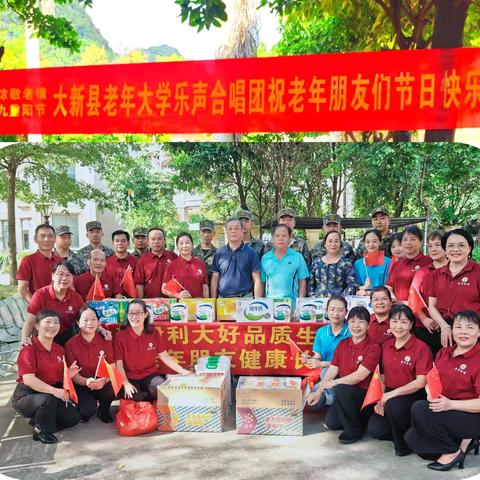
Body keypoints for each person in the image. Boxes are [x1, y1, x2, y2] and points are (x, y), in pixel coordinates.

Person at [405, 310, 480, 471]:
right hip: (446, 411)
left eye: (470, 328)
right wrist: (430, 393)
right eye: (458, 327)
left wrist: (450, 404)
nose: (463, 332)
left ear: (479, 332)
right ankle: (465, 441)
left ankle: (454, 452)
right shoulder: (444, 352)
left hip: (471, 415)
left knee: (419, 408)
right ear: (452, 330)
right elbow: (431, 379)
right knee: (411, 440)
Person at [307, 306, 381, 444]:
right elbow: (332, 370)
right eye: (352, 321)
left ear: (368, 325)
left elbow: (359, 376)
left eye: (361, 322)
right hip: (346, 394)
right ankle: (359, 419)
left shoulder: (373, 347)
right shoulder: (343, 344)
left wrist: (336, 383)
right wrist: (319, 392)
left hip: (364, 395)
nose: (356, 326)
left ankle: (355, 430)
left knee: (341, 388)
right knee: (332, 423)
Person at [367, 304, 433, 456]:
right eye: (395, 321)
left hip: (413, 394)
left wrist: (390, 395)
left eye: (403, 322)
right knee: (375, 429)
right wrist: (379, 399)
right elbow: (382, 376)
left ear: (411, 324)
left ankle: (402, 446)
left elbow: (421, 382)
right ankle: (407, 432)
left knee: (394, 406)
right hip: (390, 393)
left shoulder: (421, 348)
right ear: (389, 323)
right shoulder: (386, 346)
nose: (399, 326)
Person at [12, 309, 81, 444]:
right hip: (27, 395)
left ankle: (41, 419)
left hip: (49, 392)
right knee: (47, 400)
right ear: (37, 326)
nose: (52, 326)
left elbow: (56, 377)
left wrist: (68, 375)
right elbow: (29, 379)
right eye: (47, 322)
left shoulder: (59, 349)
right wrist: (56, 391)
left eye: (56, 322)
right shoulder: (28, 348)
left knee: (73, 418)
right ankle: (42, 430)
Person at [114, 299, 192, 401]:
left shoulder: (153, 333)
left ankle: (148, 398)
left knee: (160, 388)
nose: (134, 316)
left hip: (150, 374)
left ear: (146, 314)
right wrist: (126, 383)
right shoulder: (121, 336)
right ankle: (145, 398)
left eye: (138, 313)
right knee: (132, 396)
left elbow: (165, 357)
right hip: (130, 376)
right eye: (131, 313)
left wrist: (182, 371)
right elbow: (119, 366)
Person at [428, 228, 480, 348]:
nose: (455, 249)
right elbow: (432, 306)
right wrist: (444, 326)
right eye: (450, 246)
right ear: (445, 250)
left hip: (471, 333)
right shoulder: (436, 274)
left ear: (470, 248)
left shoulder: (477, 272)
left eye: (461, 245)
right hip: (443, 330)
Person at [65, 306, 116, 423]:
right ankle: (87, 406)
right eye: (85, 320)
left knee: (111, 387)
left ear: (98, 322)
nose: (90, 323)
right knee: (86, 411)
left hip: (102, 381)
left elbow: (113, 367)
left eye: (93, 319)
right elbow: (73, 375)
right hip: (82, 383)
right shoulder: (71, 344)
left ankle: (104, 410)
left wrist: (104, 380)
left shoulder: (105, 340)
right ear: (78, 323)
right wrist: (86, 382)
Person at [22, 261, 85, 346]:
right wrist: (24, 338)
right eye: (61, 274)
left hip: (66, 336)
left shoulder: (76, 297)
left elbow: (86, 317)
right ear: (53, 276)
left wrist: (100, 329)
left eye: (68, 275)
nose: (64, 278)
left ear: (73, 278)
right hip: (43, 335)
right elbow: (30, 320)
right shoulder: (40, 295)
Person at [303, 296, 350, 409]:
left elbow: (347, 362)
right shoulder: (321, 332)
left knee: (326, 370)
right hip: (327, 377)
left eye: (340, 310)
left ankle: (331, 399)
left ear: (346, 312)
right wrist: (312, 359)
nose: (336, 313)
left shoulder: (351, 331)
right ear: (326, 311)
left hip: (346, 374)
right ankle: (330, 398)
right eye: (332, 309)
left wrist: (322, 364)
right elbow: (318, 356)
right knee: (311, 402)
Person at [412, 230, 448, 355]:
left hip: (452, 327)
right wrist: (424, 319)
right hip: (425, 327)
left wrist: (443, 323)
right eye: (430, 245)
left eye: (438, 245)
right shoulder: (422, 272)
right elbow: (413, 298)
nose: (433, 249)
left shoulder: (455, 270)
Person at [210, 217, 262, 298]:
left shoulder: (251, 253)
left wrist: (258, 302)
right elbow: (214, 280)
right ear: (226, 231)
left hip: (245, 298)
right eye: (230, 228)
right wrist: (214, 302)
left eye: (236, 228)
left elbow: (257, 280)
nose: (233, 231)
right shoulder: (219, 253)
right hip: (223, 300)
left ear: (242, 231)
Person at [261, 224, 309, 304]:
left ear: (290, 238)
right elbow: (262, 283)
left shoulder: (297, 257)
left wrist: (299, 305)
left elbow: (302, 282)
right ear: (272, 238)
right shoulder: (265, 258)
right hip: (270, 306)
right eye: (277, 236)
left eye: (284, 235)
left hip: (291, 306)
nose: (280, 238)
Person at [386, 225, 432, 303]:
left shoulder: (428, 262)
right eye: (405, 240)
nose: (408, 243)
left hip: (421, 310)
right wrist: (395, 300)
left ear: (421, 242)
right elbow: (388, 286)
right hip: (399, 309)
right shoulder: (397, 264)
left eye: (412, 239)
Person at [17, 224, 62, 301]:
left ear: (55, 239)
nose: (46, 239)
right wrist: (35, 305)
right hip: (40, 307)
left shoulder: (61, 261)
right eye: (42, 236)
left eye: (50, 236)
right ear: (35, 239)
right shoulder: (28, 261)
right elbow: (22, 288)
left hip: (60, 304)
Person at [308, 230, 356, 298]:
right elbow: (310, 283)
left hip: (339, 303)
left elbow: (351, 285)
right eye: (330, 241)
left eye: (336, 241)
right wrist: (312, 297)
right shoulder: (316, 262)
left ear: (340, 244)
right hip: (318, 302)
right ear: (324, 244)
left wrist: (343, 299)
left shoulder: (346, 263)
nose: (333, 244)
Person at [162, 232, 209, 299]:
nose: (184, 246)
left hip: (198, 305)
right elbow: (164, 288)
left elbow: (205, 287)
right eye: (181, 243)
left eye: (187, 243)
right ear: (177, 246)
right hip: (180, 306)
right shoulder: (171, 265)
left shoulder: (200, 264)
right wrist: (178, 295)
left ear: (192, 245)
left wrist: (206, 301)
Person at [134, 227, 178, 298]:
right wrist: (141, 301)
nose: (156, 242)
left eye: (159, 239)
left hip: (171, 301)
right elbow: (139, 284)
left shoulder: (173, 257)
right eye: (153, 239)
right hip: (150, 302)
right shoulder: (142, 261)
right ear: (148, 241)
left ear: (164, 240)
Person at [354, 229, 391, 295]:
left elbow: (389, 285)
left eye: (374, 241)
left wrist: (370, 293)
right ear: (364, 243)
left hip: (382, 298)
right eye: (367, 242)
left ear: (380, 242)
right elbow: (356, 284)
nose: (371, 245)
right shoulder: (358, 264)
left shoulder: (388, 262)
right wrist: (363, 288)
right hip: (363, 298)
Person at [105, 230, 138, 296]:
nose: (120, 243)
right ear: (113, 243)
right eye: (117, 241)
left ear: (128, 243)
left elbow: (138, 284)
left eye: (123, 241)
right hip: (111, 300)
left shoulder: (136, 262)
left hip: (130, 299)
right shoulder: (107, 262)